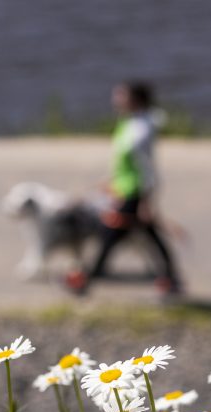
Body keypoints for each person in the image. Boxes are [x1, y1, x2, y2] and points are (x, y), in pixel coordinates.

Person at [65, 81, 181, 297]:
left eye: (120, 96)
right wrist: (110, 182)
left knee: (112, 235)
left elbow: (146, 168)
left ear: (135, 100)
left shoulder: (142, 130)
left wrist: (147, 200)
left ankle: (86, 280)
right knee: (145, 236)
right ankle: (171, 279)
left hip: (134, 194)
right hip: (124, 189)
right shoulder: (129, 123)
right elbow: (123, 163)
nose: (115, 100)